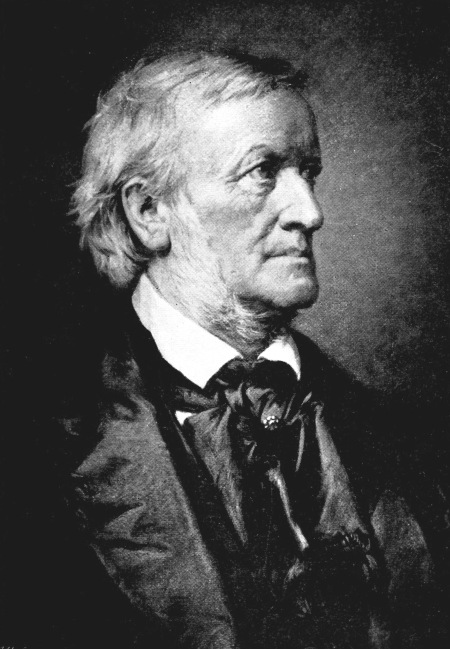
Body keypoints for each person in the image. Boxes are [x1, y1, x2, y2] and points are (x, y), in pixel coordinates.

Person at [58, 50, 447, 648]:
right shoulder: (41, 446)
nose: (311, 213)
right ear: (149, 211)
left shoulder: (406, 436)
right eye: (262, 171)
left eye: (308, 173)